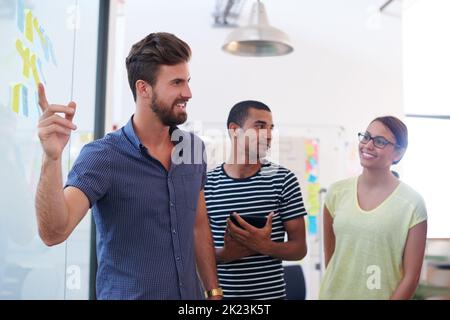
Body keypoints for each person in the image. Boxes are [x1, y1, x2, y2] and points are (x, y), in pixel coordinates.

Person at [35, 32, 221, 300]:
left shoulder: (192, 148)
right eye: (177, 83)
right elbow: (54, 232)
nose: (188, 93)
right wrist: (51, 159)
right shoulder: (103, 157)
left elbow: (198, 223)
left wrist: (213, 292)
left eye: (188, 81)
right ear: (143, 88)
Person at [204, 100, 308, 300]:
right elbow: (195, 251)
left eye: (271, 128)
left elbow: (299, 249)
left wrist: (264, 246)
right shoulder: (206, 184)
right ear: (234, 130)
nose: (268, 135)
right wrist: (225, 254)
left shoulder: (283, 180)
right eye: (260, 126)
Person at [319, 116, 427, 300]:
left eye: (379, 141)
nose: (368, 145)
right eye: (366, 137)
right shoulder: (336, 193)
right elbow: (332, 258)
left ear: (399, 153)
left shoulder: (412, 204)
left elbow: (411, 277)